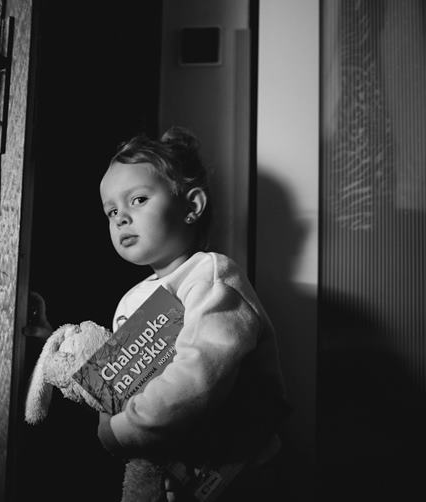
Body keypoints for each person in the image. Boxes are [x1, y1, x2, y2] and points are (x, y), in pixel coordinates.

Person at [97, 126, 290, 501]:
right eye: (111, 210)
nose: (121, 218)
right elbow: (117, 381)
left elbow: (199, 376)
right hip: (178, 471)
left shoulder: (212, 276)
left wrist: (122, 429)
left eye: (138, 200)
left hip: (242, 470)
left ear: (192, 206)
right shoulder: (131, 301)